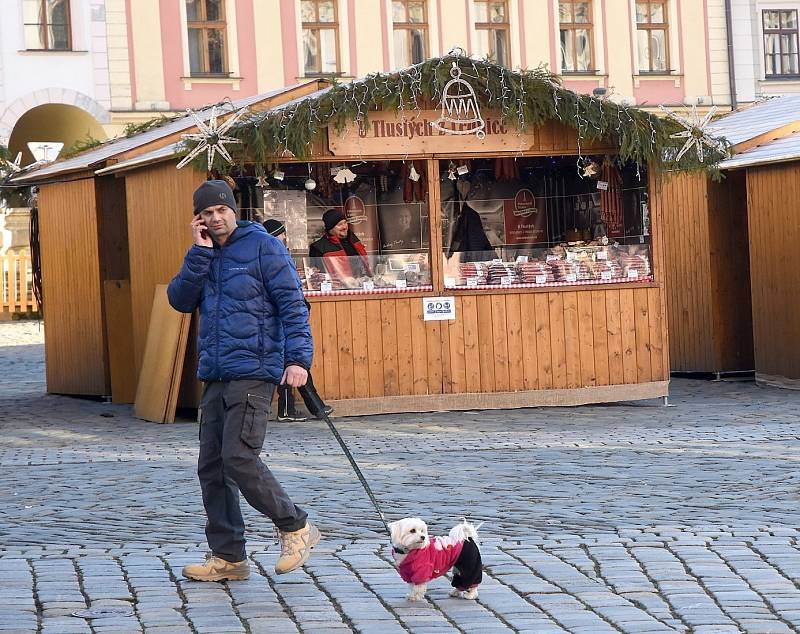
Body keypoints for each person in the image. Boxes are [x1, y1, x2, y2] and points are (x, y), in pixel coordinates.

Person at [168, 180, 320, 582]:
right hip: (216, 372)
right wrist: (199, 253)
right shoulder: (203, 254)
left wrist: (298, 359)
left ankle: (295, 526)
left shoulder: (263, 246)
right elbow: (179, 300)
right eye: (207, 214)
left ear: (234, 211)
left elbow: (292, 303)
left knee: (238, 456)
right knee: (213, 466)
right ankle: (229, 557)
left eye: (222, 211)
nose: (216, 219)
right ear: (198, 219)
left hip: (255, 369)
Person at [263, 218, 333, 423]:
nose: (285, 237)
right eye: (282, 234)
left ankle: (304, 408)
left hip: (282, 316)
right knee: (289, 363)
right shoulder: (275, 257)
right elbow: (285, 291)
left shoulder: (271, 256)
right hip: (280, 318)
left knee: (293, 363)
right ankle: (292, 409)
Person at [309, 208, 372, 286]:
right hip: (337, 290)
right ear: (330, 229)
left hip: (362, 286)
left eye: (345, 222)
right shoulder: (318, 247)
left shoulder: (354, 240)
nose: (344, 227)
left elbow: (365, 265)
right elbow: (317, 276)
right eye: (339, 224)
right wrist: (342, 280)